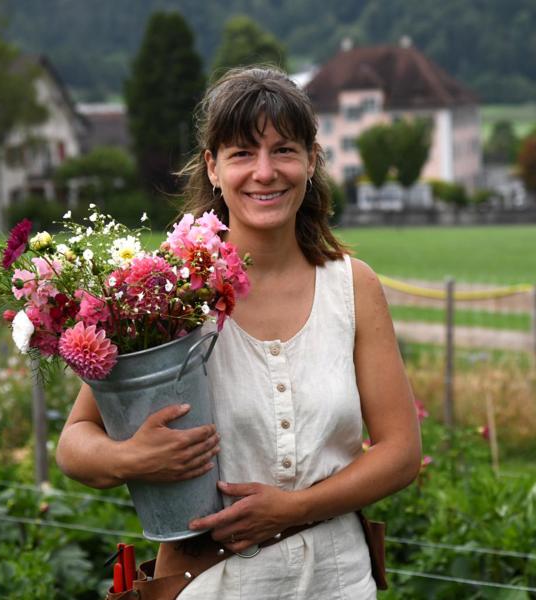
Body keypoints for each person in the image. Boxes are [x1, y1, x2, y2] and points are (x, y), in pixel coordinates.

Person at [56, 66, 421, 598]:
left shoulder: (352, 286)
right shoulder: (166, 293)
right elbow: (73, 445)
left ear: (311, 160)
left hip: (339, 581)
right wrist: (131, 458)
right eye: (243, 153)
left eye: (284, 150)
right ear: (213, 167)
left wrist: (294, 508)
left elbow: (401, 452)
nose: (264, 172)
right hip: (211, 585)